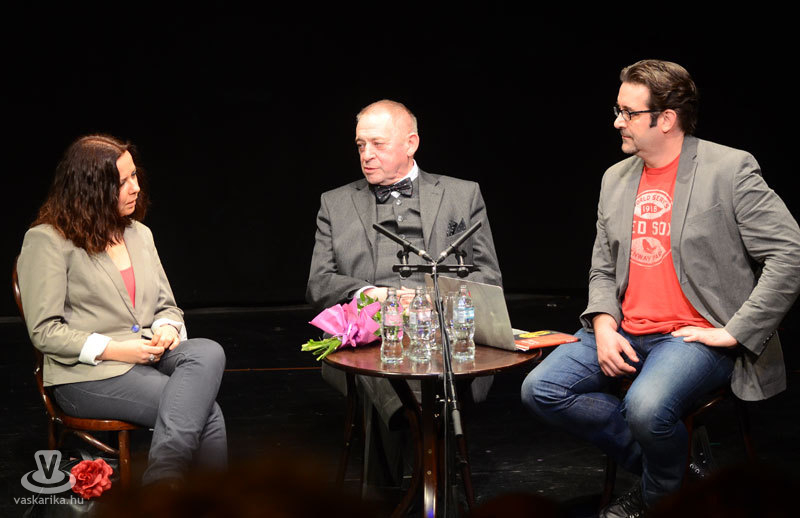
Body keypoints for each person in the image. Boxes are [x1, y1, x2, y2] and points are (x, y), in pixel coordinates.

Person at [521, 59, 800, 517]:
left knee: (646, 408)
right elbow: (602, 268)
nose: (617, 121)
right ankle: (679, 480)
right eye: (618, 110)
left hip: (691, 335)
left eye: (628, 112)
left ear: (666, 119)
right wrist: (604, 325)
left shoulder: (729, 169)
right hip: (625, 329)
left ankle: (657, 500)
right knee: (541, 389)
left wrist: (735, 331)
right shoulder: (615, 179)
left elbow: (789, 252)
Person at [306, 99, 502, 485]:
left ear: (411, 143)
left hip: (442, 331)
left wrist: (433, 305)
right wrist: (372, 295)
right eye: (360, 145)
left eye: (377, 144)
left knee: (420, 365)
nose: (366, 155)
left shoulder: (462, 195)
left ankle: (401, 484)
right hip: (368, 336)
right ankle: (418, 442)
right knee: (381, 366)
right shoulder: (336, 203)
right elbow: (319, 283)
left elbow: (487, 277)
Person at [17, 135, 227, 486]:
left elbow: (167, 305)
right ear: (90, 189)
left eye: (135, 175)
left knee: (208, 351)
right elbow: (45, 331)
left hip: (146, 354)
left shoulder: (139, 234)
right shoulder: (48, 240)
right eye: (123, 181)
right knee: (207, 414)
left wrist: (167, 328)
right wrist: (116, 349)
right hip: (86, 375)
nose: (136, 187)